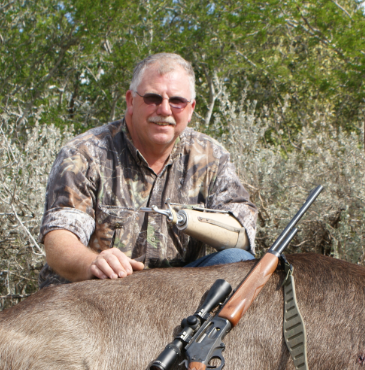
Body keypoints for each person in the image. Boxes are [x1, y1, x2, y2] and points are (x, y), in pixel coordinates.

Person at [38, 53, 257, 288]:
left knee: (239, 261)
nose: (164, 110)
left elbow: (243, 232)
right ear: (131, 100)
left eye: (177, 101)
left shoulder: (211, 157)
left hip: (174, 293)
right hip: (98, 292)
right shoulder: (84, 153)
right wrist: (93, 263)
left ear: (190, 108)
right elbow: (59, 241)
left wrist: (196, 221)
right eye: (152, 98)